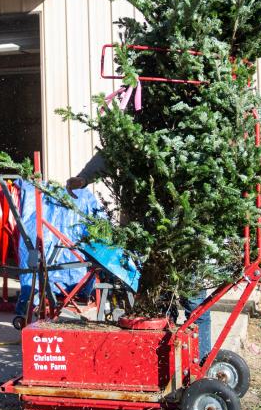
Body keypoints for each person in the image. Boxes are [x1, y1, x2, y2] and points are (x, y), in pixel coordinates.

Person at [66, 153, 213, 359]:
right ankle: (163, 363)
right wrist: (85, 177)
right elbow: (112, 152)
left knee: (195, 306)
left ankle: (201, 365)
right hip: (148, 235)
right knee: (160, 305)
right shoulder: (136, 129)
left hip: (187, 231)